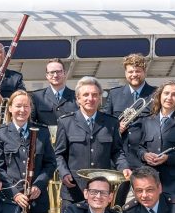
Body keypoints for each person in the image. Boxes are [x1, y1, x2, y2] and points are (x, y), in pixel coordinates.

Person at [54, 76, 130, 204]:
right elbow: (59, 154)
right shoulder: (66, 122)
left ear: (100, 98)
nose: (90, 98)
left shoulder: (111, 122)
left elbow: (117, 151)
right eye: (86, 95)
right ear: (78, 98)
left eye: (95, 95)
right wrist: (64, 173)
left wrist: (124, 167)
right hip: (74, 189)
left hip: (102, 191)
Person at [125, 80, 175, 199]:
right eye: (166, 93)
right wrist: (144, 155)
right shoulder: (147, 120)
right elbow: (138, 147)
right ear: (160, 96)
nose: (169, 97)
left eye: (174, 94)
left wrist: (169, 158)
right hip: (149, 181)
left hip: (174, 184)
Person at [102, 53, 156, 133]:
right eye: (130, 72)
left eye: (137, 71)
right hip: (122, 144)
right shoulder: (114, 94)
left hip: (146, 144)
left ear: (145, 72)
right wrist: (115, 127)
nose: (134, 75)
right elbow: (104, 121)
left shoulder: (156, 93)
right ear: (125, 73)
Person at [30, 58, 75, 127]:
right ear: (47, 76)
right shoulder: (37, 97)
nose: (55, 75)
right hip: (46, 137)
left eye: (59, 72)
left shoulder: (76, 97)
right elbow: (31, 123)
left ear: (64, 73)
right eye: (51, 72)